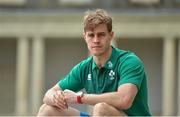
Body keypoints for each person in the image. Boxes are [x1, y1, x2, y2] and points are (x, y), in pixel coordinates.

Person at [37, 9, 151, 116]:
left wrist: (79, 98)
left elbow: (124, 99)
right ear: (85, 37)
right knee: (47, 110)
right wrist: (54, 97)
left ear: (111, 36)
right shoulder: (84, 68)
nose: (96, 40)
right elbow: (48, 95)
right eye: (91, 35)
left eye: (101, 35)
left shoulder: (129, 61)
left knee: (101, 109)